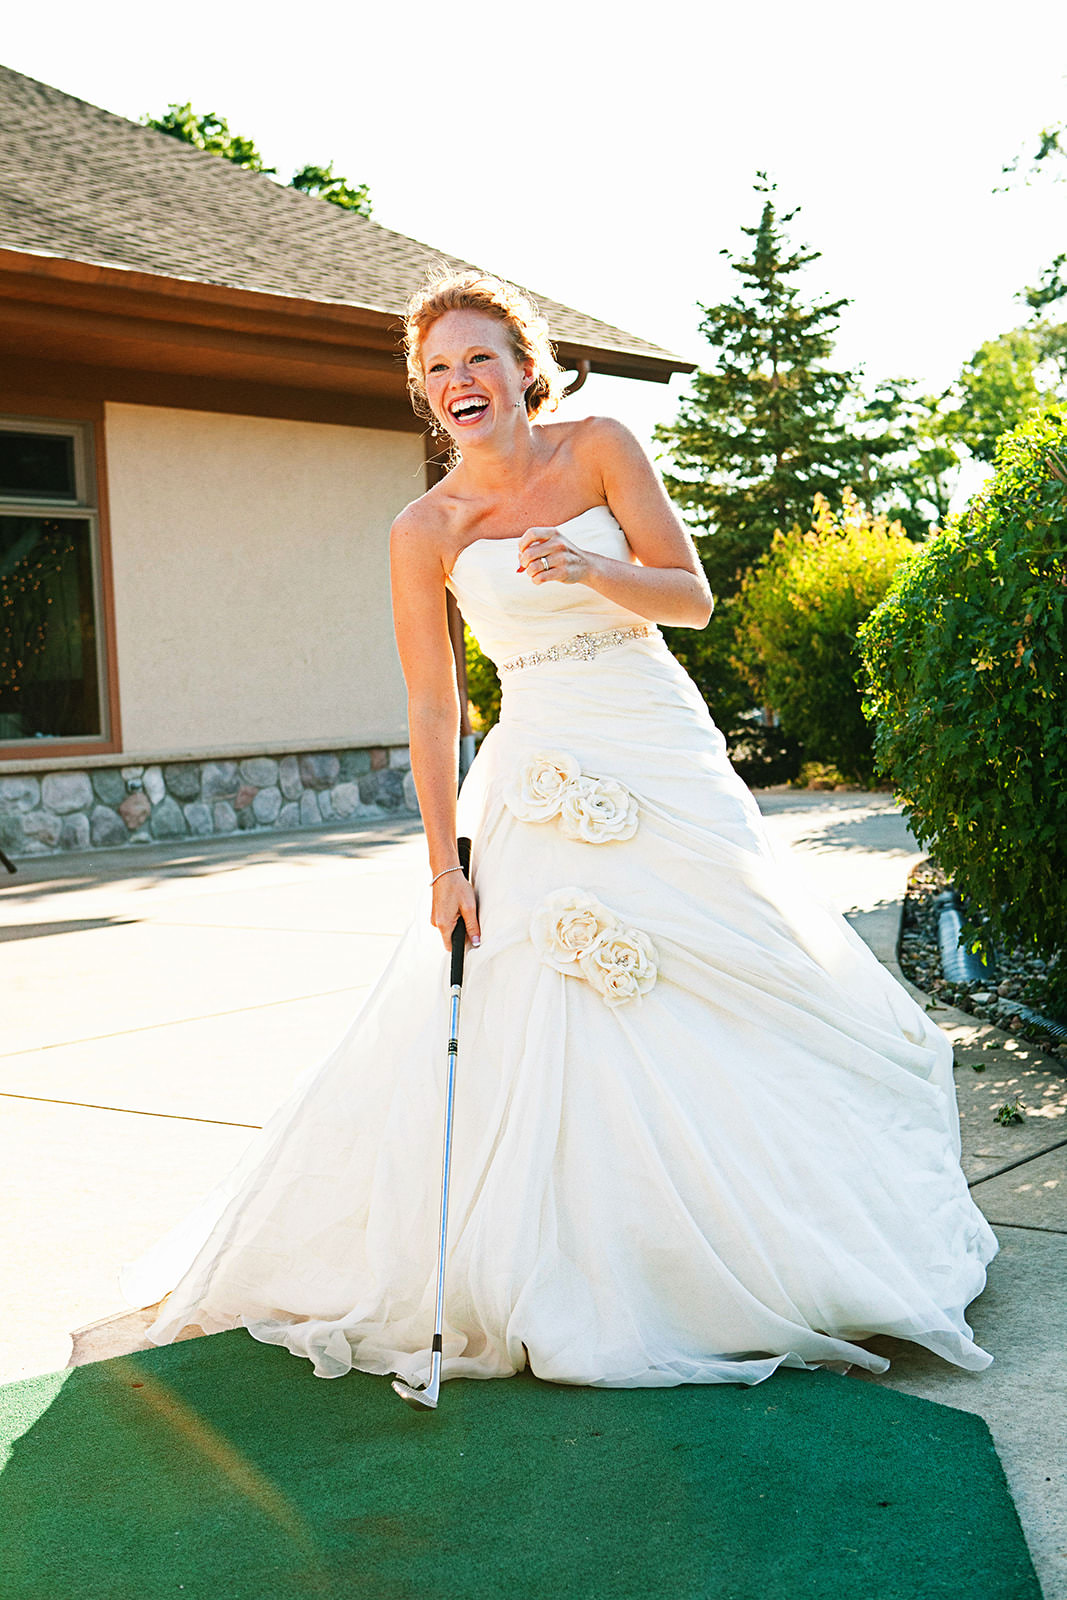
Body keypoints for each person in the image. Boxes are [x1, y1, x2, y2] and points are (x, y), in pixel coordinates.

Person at [120, 269, 997, 1389]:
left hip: (654, 740)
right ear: (422, 392)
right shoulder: (422, 526)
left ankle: (774, 1242)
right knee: (551, 1002)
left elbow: (690, 598)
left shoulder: (598, 449)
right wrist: (443, 862)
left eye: (479, 357)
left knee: (727, 962)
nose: (459, 381)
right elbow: (436, 705)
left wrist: (592, 567)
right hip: (537, 766)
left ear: (525, 366)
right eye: (437, 368)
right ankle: (597, 1264)